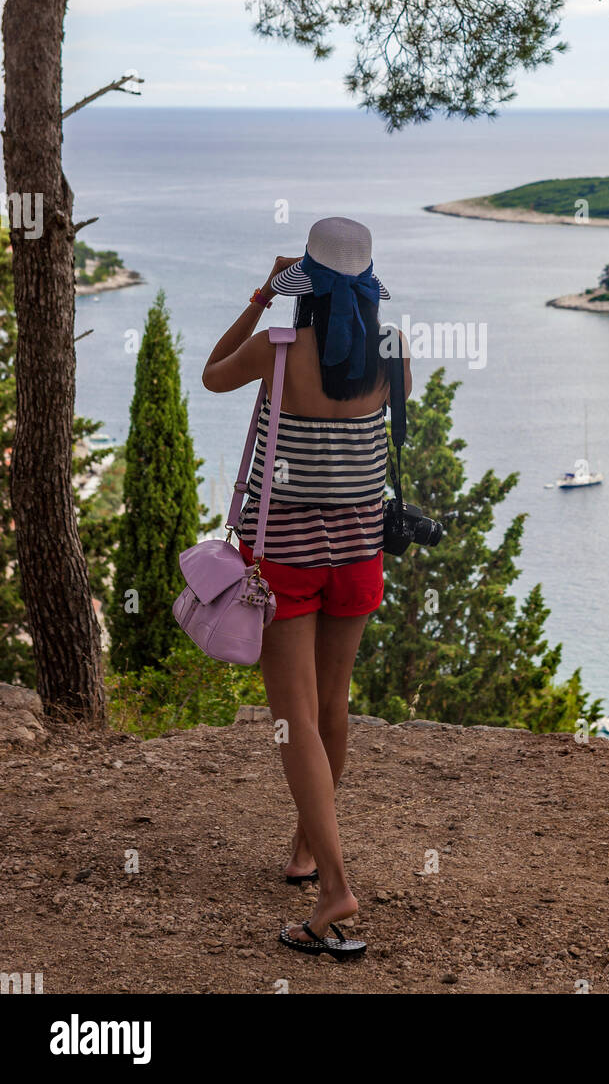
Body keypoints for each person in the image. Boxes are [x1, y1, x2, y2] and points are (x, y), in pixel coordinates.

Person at [202, 216, 410, 957]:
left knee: (293, 719)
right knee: (330, 708)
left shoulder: (280, 345)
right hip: (358, 554)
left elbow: (213, 373)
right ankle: (304, 850)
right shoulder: (393, 349)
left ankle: (335, 889)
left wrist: (264, 294)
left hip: (284, 558)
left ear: (308, 284)